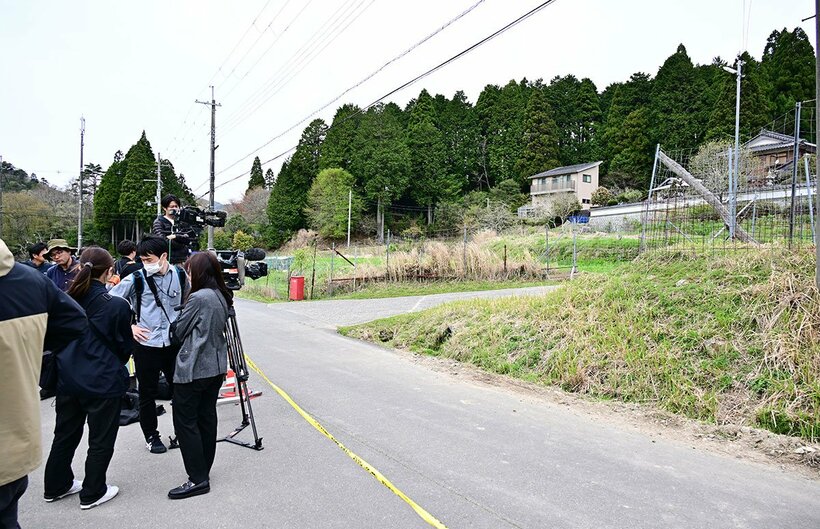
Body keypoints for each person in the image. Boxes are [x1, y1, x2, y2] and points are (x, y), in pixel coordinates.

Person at [0, 237, 87, 527]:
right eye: (54, 253)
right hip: (14, 443)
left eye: (61, 251)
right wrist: (26, 347)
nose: (57, 256)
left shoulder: (47, 276)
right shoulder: (35, 279)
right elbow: (74, 322)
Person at [42, 247, 135, 510]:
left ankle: (56, 485)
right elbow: (124, 347)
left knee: (64, 434)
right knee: (100, 440)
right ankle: (93, 491)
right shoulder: (117, 305)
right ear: (109, 271)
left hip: (68, 378)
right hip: (102, 380)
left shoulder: (63, 300)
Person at [110, 236, 187, 454]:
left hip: (173, 343)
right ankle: (151, 436)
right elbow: (109, 302)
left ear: (164, 256)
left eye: (149, 259)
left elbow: (189, 301)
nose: (145, 264)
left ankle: (182, 432)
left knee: (180, 391)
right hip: (146, 344)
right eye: (142, 260)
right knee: (147, 394)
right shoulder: (136, 278)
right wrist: (130, 327)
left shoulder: (180, 275)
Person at [168, 251, 231, 500]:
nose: (188, 275)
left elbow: (179, 331)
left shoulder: (198, 297)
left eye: (189, 271)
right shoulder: (221, 294)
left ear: (198, 272)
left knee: (185, 421)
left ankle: (197, 478)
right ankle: (203, 470)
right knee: (206, 417)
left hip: (194, 367)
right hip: (215, 366)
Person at [152, 194, 192, 264]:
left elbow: (189, 238)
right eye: (171, 207)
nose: (174, 209)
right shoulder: (159, 222)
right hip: (167, 261)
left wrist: (175, 236)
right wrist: (182, 243)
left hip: (183, 259)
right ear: (165, 208)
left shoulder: (183, 222)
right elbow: (162, 241)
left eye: (176, 206)